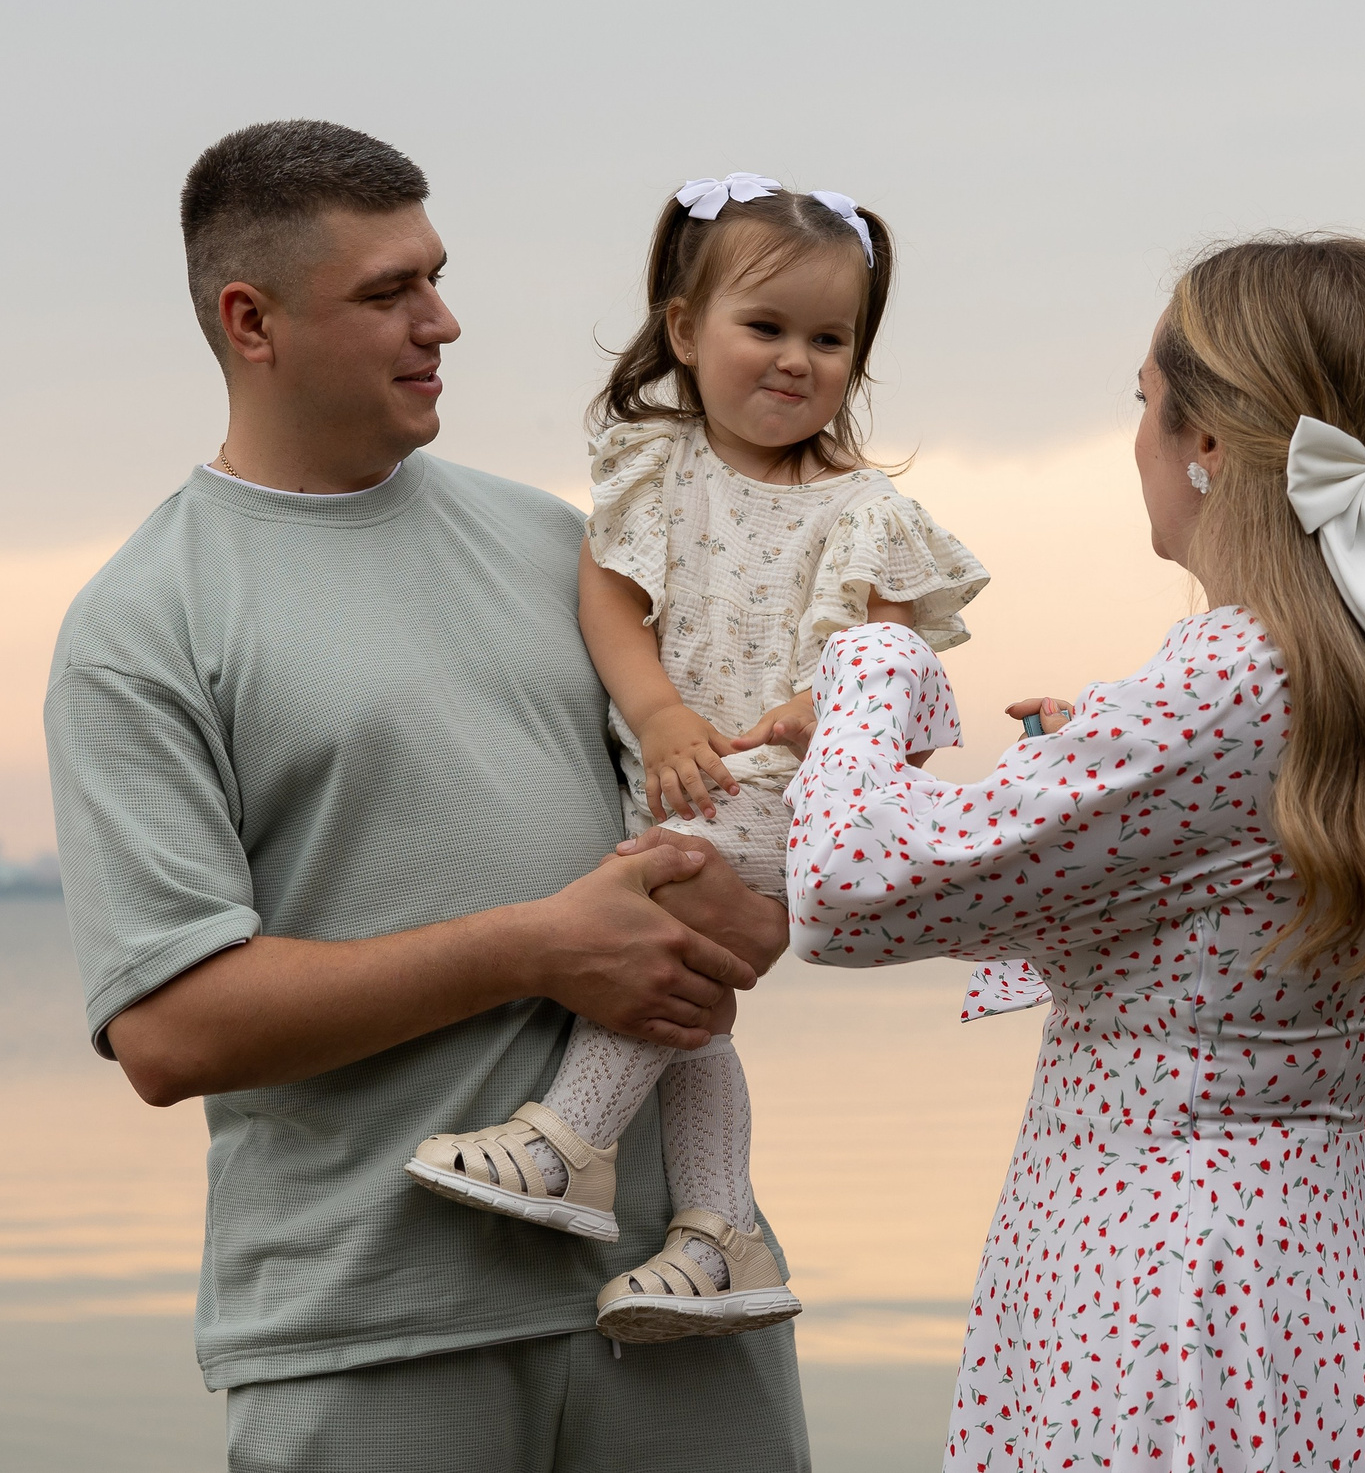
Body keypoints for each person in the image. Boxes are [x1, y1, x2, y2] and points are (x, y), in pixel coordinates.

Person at [43, 121, 812, 1471]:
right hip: (369, 1333)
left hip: (678, 1309)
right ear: (251, 320)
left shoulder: (561, 549)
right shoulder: (143, 624)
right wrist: (535, 948)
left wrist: (766, 860)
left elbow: (738, 902)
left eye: (437, 276)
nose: (442, 320)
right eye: (389, 291)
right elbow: (168, 1029)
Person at [781, 235, 1365, 1471]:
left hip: (1155, 1298)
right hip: (1318, 1288)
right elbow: (1232, 910)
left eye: (1142, 399)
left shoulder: (1231, 671)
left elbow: (846, 887)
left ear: (1209, 442)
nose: (1137, 436)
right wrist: (1092, 789)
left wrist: (878, 658)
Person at [405, 173, 995, 1347]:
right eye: (764, 327)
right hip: (678, 766)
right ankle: (720, 1231)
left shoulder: (863, 512)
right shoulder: (655, 467)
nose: (796, 360)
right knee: (690, 1006)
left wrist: (806, 713)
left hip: (778, 798)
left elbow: (886, 671)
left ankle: (570, 1139)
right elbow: (611, 605)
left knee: (663, 927)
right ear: (685, 330)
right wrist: (659, 710)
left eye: (829, 338)